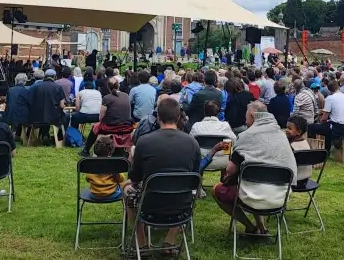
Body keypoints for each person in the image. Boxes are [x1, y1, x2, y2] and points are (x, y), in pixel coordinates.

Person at [123, 98, 201, 251]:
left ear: (158, 117)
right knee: (191, 190)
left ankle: (141, 242)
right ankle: (170, 240)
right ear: (178, 118)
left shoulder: (144, 142)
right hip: (182, 206)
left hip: (149, 206)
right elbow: (195, 178)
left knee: (126, 190)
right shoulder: (192, 142)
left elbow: (135, 178)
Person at [211, 101, 297, 236]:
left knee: (218, 189)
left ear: (252, 115)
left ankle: (250, 227)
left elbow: (230, 170)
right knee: (256, 179)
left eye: (246, 117)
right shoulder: (282, 136)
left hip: (250, 196)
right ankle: (261, 226)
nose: (245, 121)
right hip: (280, 197)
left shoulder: (246, 137)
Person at [80, 77, 134, 157]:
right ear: (118, 85)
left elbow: (101, 117)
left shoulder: (106, 98)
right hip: (126, 127)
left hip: (111, 127)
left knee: (95, 126)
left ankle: (86, 150)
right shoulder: (126, 96)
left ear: (108, 87)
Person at [308, 80, 344, 152]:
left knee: (311, 127)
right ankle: (328, 148)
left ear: (329, 90)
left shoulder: (330, 98)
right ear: (338, 87)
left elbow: (324, 118)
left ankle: (314, 149)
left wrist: (319, 120)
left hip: (338, 128)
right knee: (328, 126)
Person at [28, 69, 66, 145]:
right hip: (53, 117)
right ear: (54, 76)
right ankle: (59, 138)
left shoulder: (35, 87)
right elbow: (62, 105)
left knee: (45, 114)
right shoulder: (58, 87)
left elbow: (30, 102)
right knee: (65, 117)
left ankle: (44, 135)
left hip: (36, 117)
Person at [86, 136, 125, 200]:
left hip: (94, 195)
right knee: (123, 185)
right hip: (112, 194)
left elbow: (87, 179)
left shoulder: (91, 164)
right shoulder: (113, 164)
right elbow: (121, 179)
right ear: (110, 151)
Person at [286, 115, 312, 186]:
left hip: (293, 181)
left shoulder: (291, 147)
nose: (286, 130)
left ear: (298, 132)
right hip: (305, 180)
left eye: (289, 128)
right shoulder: (305, 143)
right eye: (286, 127)